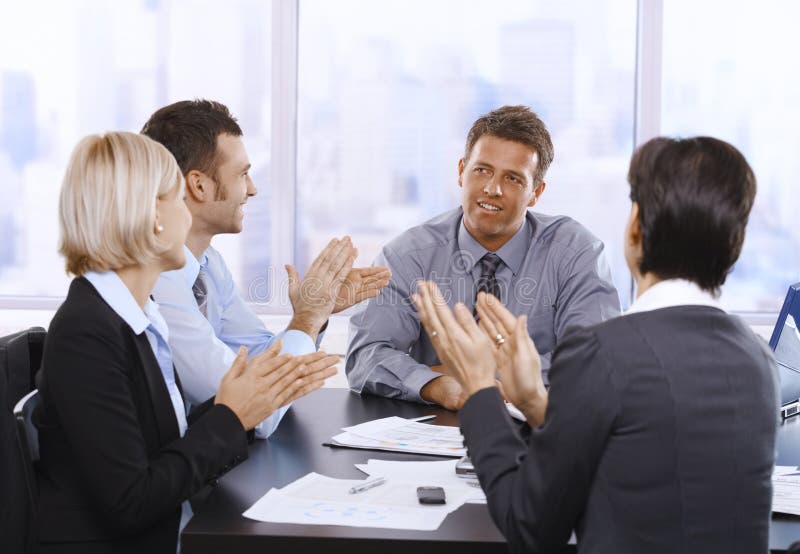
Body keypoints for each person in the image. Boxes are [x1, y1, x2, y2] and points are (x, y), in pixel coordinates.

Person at [413, 136, 779, 553]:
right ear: (734, 245)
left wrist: (480, 388)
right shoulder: (759, 361)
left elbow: (529, 527)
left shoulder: (604, 354)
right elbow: (640, 459)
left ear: (636, 228)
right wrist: (535, 404)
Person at [35, 132, 338, 553]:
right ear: (152, 216)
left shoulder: (138, 315)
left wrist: (242, 405)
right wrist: (231, 417)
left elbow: (163, 446)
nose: (188, 214)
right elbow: (131, 500)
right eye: (179, 199)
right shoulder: (87, 333)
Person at [141, 100, 390, 437]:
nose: (252, 189)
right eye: (242, 174)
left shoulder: (208, 264)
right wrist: (307, 320)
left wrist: (314, 315)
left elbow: (258, 357)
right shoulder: (155, 282)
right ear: (199, 185)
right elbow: (251, 410)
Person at [346, 105, 620, 410]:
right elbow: (366, 356)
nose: (492, 189)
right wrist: (439, 386)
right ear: (461, 171)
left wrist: (481, 376)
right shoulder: (408, 255)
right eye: (482, 170)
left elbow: (593, 359)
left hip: (540, 426)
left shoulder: (575, 253)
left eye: (513, 179)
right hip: (438, 425)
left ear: (536, 192)